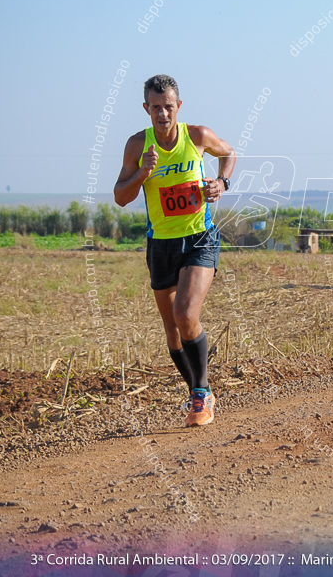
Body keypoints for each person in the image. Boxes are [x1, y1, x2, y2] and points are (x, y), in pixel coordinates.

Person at [114, 75, 235, 427]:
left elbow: (228, 153)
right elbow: (121, 197)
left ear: (178, 106)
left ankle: (200, 396)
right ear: (146, 109)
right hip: (160, 245)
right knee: (172, 331)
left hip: (199, 238)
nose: (163, 113)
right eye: (156, 108)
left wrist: (221, 183)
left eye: (169, 106)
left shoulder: (197, 136)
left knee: (185, 314)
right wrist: (142, 173)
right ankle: (200, 392)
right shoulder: (138, 145)